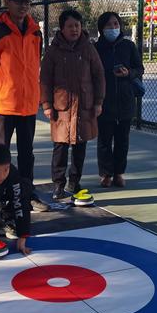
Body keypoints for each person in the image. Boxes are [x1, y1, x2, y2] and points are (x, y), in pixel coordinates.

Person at [0, 0, 50, 212]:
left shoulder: (35, 32)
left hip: (28, 106)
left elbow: (34, 64)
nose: (23, 5)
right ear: (7, 2)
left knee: (27, 155)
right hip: (3, 106)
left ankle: (27, 195)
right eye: (18, 1)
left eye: (27, 1)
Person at [40, 10, 106, 200]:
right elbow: (45, 79)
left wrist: (98, 102)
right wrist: (47, 104)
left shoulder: (88, 49)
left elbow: (99, 76)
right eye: (70, 26)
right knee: (60, 147)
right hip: (61, 108)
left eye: (77, 25)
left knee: (80, 146)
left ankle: (74, 182)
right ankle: (58, 184)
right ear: (62, 28)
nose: (74, 29)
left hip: (84, 107)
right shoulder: (53, 51)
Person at [94, 11, 144, 188]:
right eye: (109, 25)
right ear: (101, 28)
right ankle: (105, 174)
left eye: (116, 24)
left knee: (122, 141)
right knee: (104, 141)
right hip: (104, 101)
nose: (113, 27)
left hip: (125, 100)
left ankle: (119, 174)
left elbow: (139, 68)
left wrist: (128, 73)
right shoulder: (96, 48)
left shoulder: (129, 46)